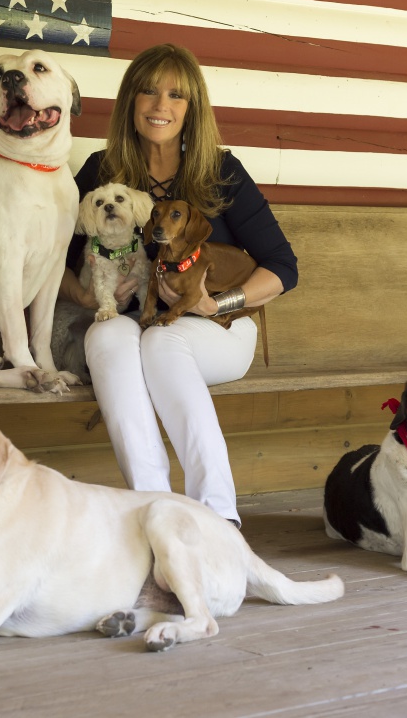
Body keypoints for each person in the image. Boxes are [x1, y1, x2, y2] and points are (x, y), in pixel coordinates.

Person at [59, 43, 297, 526]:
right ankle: (157, 514)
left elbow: (282, 268)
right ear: (130, 101)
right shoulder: (100, 171)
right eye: (148, 91)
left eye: (176, 95)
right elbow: (51, 259)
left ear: (193, 109)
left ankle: (218, 517)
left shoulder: (222, 172)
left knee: (162, 343)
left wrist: (217, 302)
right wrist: (82, 294)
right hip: (135, 322)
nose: (160, 105)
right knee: (106, 335)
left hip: (218, 326)